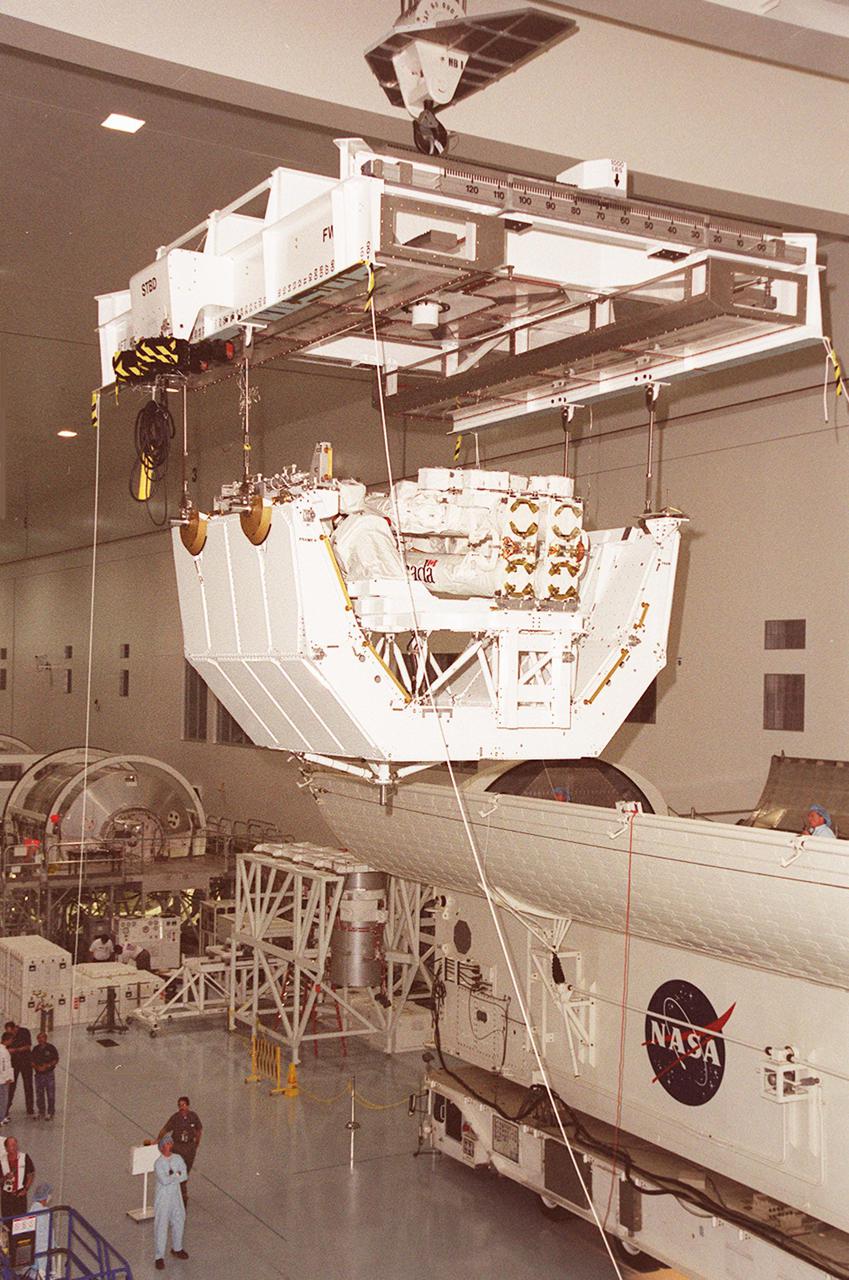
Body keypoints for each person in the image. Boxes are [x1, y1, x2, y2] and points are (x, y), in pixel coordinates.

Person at [157, 1097, 202, 1205]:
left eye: (183, 1105)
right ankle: (180, 1192)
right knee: (176, 1169)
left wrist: (196, 1144)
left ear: (188, 1105)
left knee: (186, 1170)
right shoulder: (175, 1118)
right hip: (177, 1147)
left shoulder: (193, 1116)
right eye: (180, 1105)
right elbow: (166, 1129)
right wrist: (157, 1140)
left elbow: (198, 1130)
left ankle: (182, 1188)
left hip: (189, 1148)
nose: (181, 1107)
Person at [153, 1134, 188, 1269]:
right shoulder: (159, 1163)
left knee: (179, 1218)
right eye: (166, 1144)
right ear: (161, 1147)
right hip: (163, 1197)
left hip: (175, 1194)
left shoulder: (178, 1158)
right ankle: (159, 1256)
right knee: (162, 1224)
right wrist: (176, 1175)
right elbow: (164, 1180)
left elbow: (184, 1175)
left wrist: (173, 1175)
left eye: (170, 1143)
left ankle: (177, 1248)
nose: (169, 1146)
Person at [5, 1022, 34, 1118]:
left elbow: (28, 1046)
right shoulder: (7, 1035)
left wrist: (16, 1050)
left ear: (15, 1028)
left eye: (11, 1032)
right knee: (11, 1086)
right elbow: (4, 1047)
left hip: (25, 1062)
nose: (10, 1035)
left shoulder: (25, 1032)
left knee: (28, 1085)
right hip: (14, 1063)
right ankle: (6, 1108)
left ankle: (30, 1108)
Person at [0, 1135, 34, 1217]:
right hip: (6, 1196)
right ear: (6, 1148)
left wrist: (25, 1189)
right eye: (11, 1145)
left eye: (15, 1144)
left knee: (20, 1220)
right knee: (7, 1221)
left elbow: (31, 1174)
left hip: (20, 1195)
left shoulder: (24, 1157)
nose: (14, 1147)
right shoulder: (1, 1160)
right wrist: (5, 1178)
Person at [31, 1033, 59, 1120]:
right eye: (38, 1038)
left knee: (50, 1093)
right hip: (38, 1075)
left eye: (42, 1038)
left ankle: (50, 1112)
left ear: (46, 1038)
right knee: (39, 1094)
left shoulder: (51, 1048)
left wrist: (47, 1066)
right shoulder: (35, 1049)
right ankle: (41, 1111)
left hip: (49, 1074)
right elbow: (31, 1061)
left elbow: (56, 1059)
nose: (40, 1040)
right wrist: (37, 1067)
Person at [30, 1182, 51, 1278]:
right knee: (42, 1273)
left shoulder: (32, 1210)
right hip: (42, 1250)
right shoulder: (44, 1212)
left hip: (35, 1251)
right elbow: (46, 1234)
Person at [0, 1035, 12, 1126]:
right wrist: (6, 1078)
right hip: (3, 1080)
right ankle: (1, 1118)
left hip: (2, 1079)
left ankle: (2, 1116)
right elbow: (3, 1066)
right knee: (3, 1100)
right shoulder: (3, 1051)